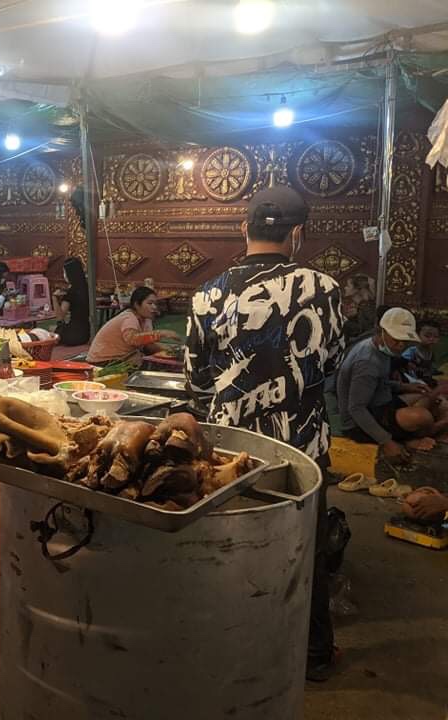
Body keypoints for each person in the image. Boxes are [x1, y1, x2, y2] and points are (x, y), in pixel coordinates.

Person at [185, 185, 345, 682]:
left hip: (234, 454)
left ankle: (232, 644)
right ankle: (314, 655)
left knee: (232, 545)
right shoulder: (326, 289)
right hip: (305, 447)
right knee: (308, 550)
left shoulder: (207, 294)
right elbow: (333, 362)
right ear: (298, 233)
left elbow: (196, 380)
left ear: (243, 228)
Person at [336, 308, 446, 461]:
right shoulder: (367, 361)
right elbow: (356, 409)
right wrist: (386, 441)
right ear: (381, 331)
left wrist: (404, 387)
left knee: (427, 396)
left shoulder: (382, 349)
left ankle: (415, 433)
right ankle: (417, 436)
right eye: (396, 339)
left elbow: (379, 382)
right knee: (422, 416)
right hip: (358, 424)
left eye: (405, 341)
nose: (401, 345)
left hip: (381, 404)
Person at [87, 286, 178, 364]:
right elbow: (133, 339)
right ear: (137, 305)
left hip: (120, 359)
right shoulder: (129, 318)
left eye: (155, 304)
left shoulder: (146, 320)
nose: (154, 307)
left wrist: (173, 351)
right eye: (150, 303)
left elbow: (147, 346)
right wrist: (161, 333)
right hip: (102, 361)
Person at [53, 257, 90, 346]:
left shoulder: (72, 292)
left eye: (64, 272)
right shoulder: (87, 287)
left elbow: (60, 317)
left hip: (73, 335)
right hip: (87, 333)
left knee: (52, 330)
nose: (64, 275)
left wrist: (54, 298)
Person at [400, 319, 442, 391]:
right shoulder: (412, 352)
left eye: (436, 337)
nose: (432, 339)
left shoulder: (431, 353)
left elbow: (429, 368)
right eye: (427, 336)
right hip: (412, 382)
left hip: (426, 380)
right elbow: (400, 366)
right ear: (417, 335)